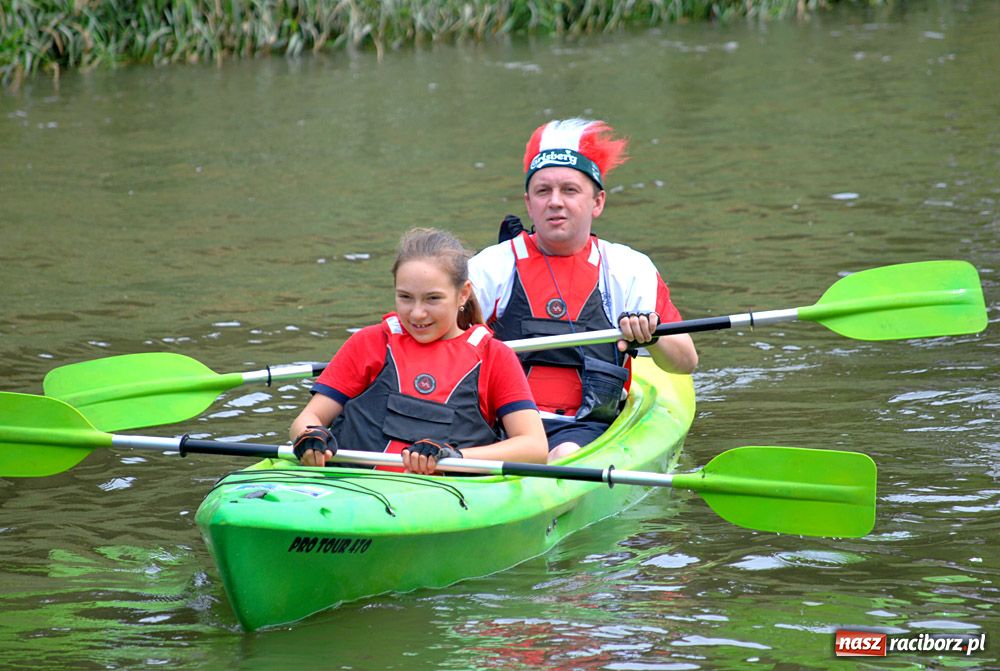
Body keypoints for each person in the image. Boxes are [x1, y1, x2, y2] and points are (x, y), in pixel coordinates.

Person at [469, 118, 698, 461]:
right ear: (528, 203)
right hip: (499, 422)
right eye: (543, 191)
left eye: (570, 190)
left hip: (583, 427)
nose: (555, 202)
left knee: (561, 455)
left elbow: (685, 362)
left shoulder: (627, 269)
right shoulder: (490, 267)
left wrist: (651, 336)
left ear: (598, 202)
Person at [290, 227, 548, 475]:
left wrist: (455, 458)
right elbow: (308, 418)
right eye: (405, 297)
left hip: (444, 494)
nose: (416, 313)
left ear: (463, 294)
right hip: (350, 482)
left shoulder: (495, 356)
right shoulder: (369, 342)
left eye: (432, 298)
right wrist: (310, 436)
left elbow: (534, 448)